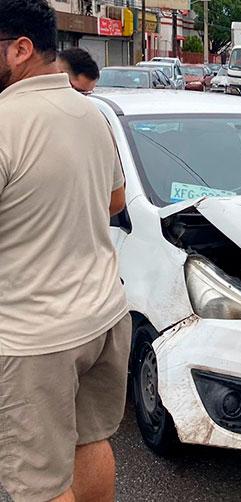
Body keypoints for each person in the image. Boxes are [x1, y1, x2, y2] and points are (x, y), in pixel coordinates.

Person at [0, 0, 130, 501]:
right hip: (102, 315)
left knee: (39, 485)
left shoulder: (6, 123)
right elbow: (115, 200)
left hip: (34, 337)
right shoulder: (90, 113)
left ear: (20, 49)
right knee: (89, 440)